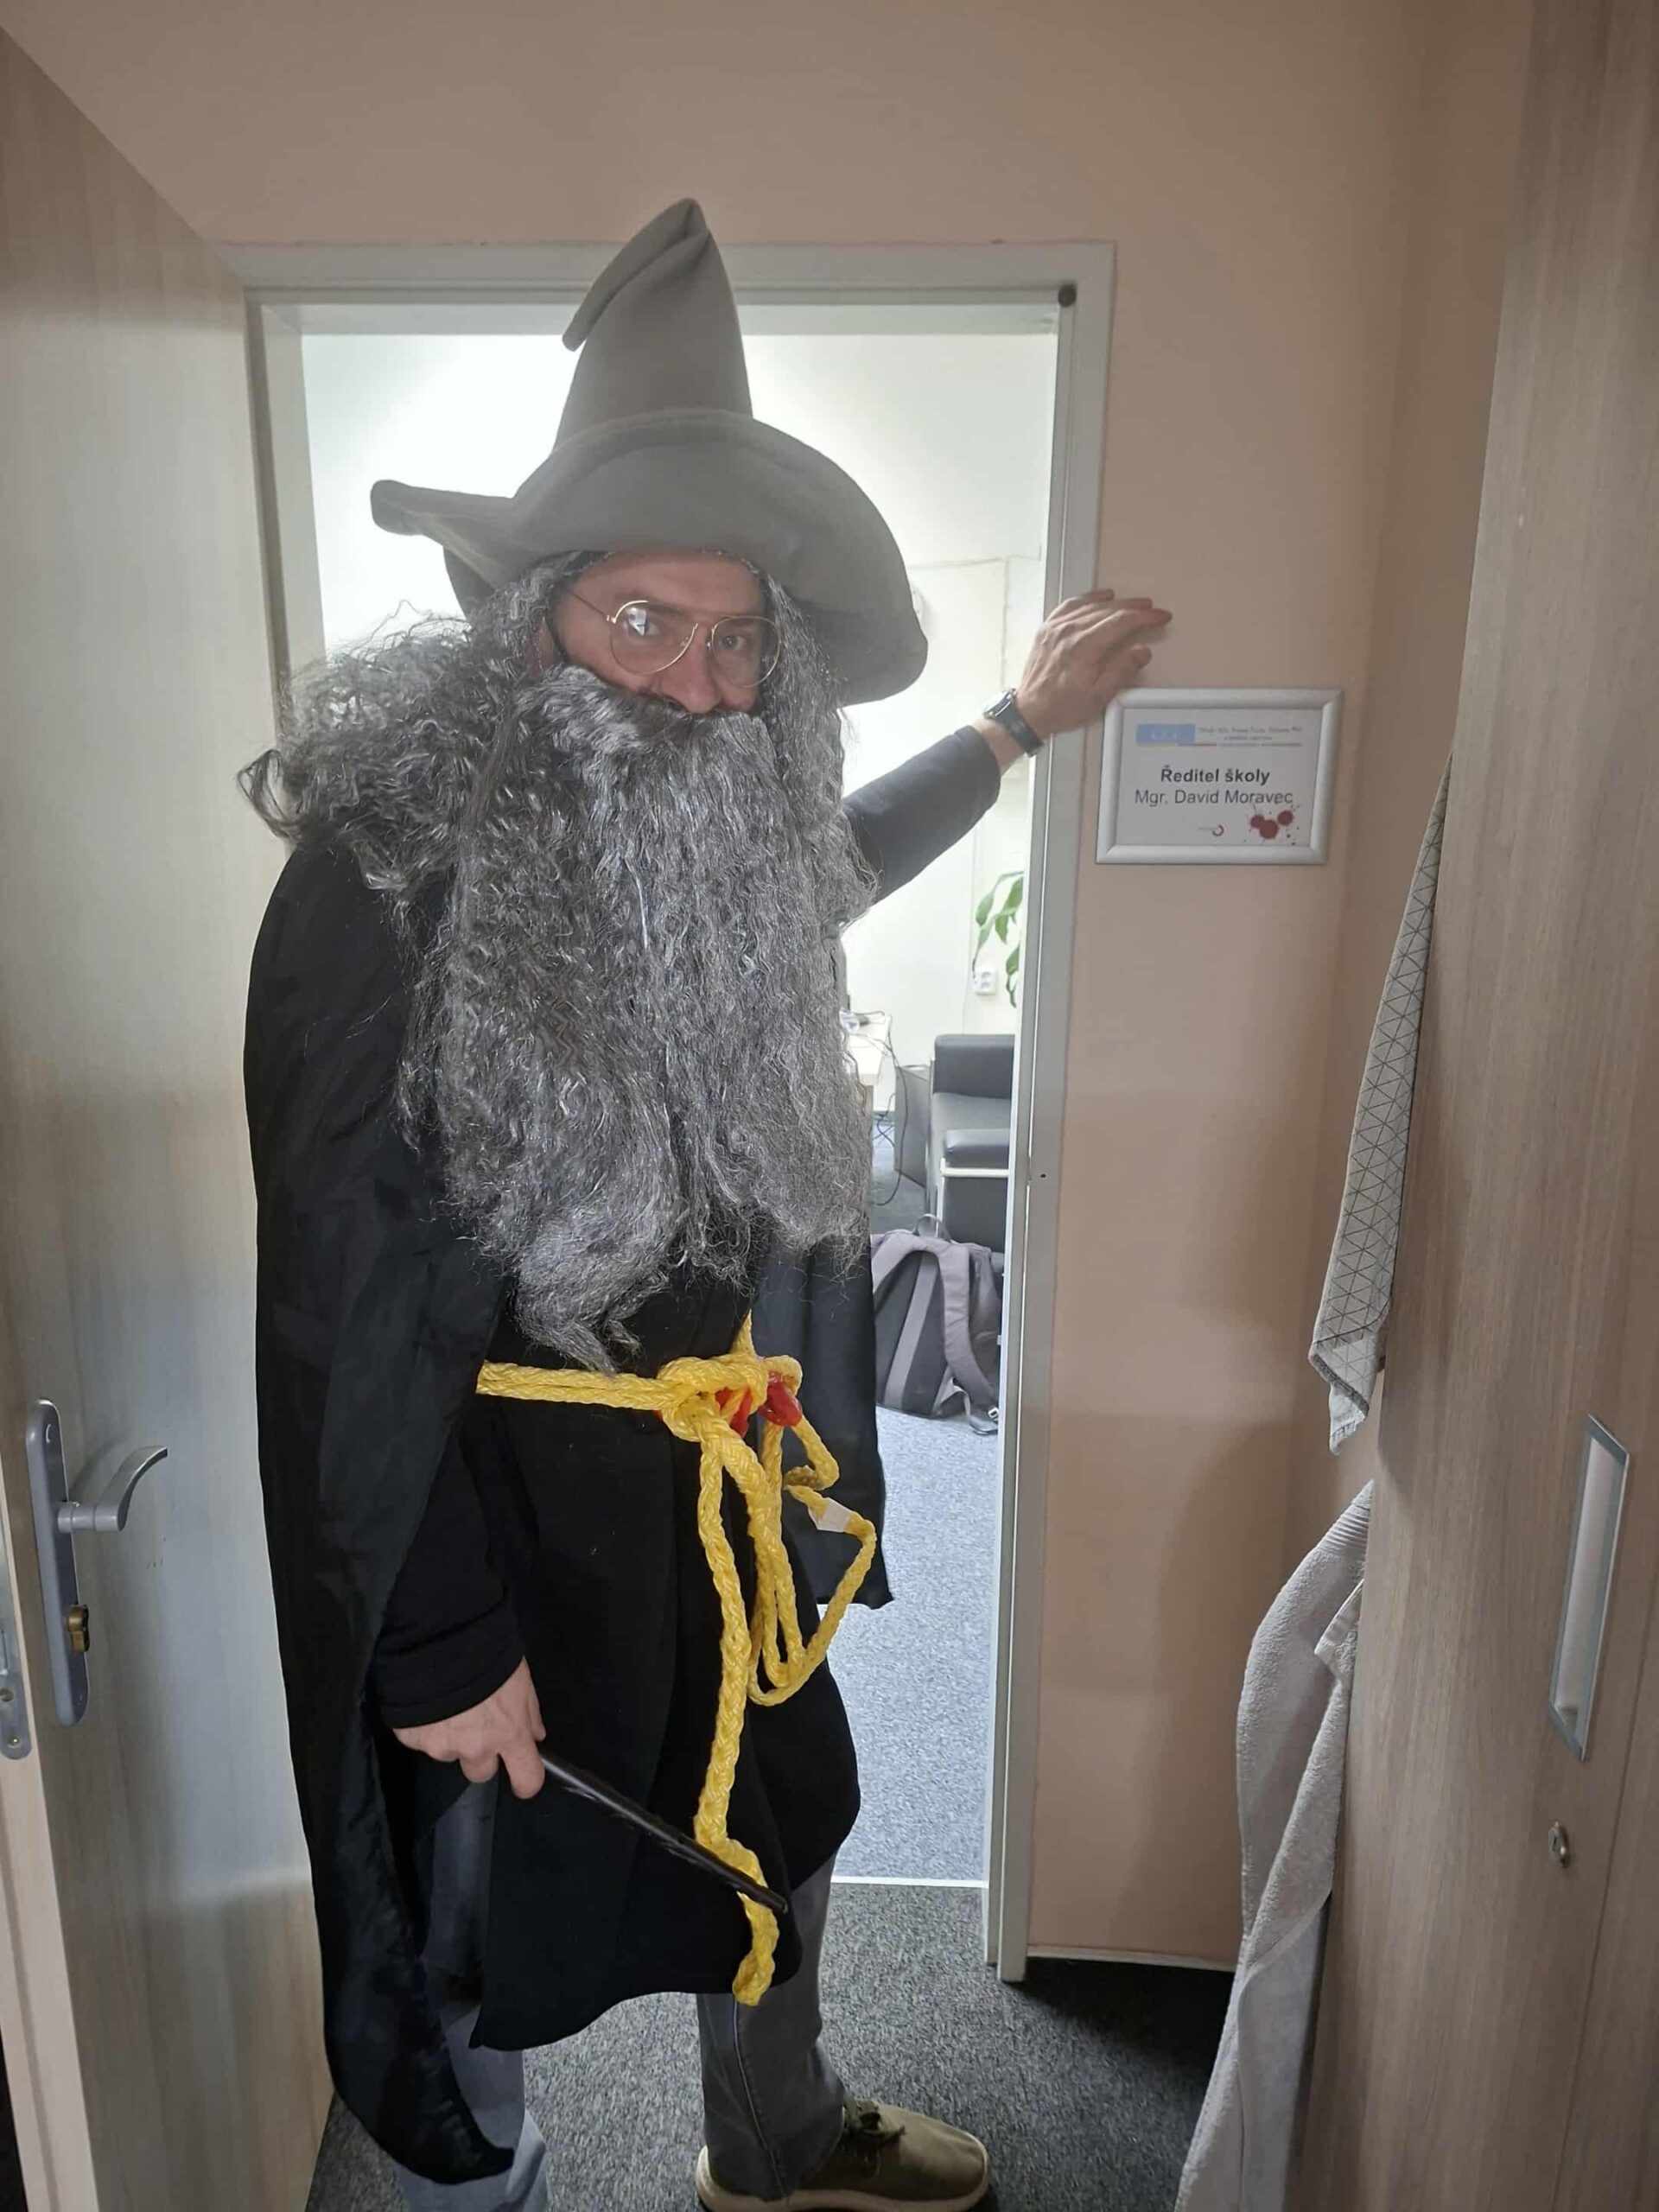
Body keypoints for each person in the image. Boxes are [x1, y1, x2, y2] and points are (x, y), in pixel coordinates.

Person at [242, 199, 1170, 2212]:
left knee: (786, 1813)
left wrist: (1018, 723)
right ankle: (480, 2184)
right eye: (643, 623)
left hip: (710, 1500)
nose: (694, 681)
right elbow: (337, 1309)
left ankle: (774, 2139)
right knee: (489, 1894)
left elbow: (840, 854)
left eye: (735, 637)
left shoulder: (725, 845)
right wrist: (437, 1638)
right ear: (534, 623)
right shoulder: (387, 879)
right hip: (494, 1522)